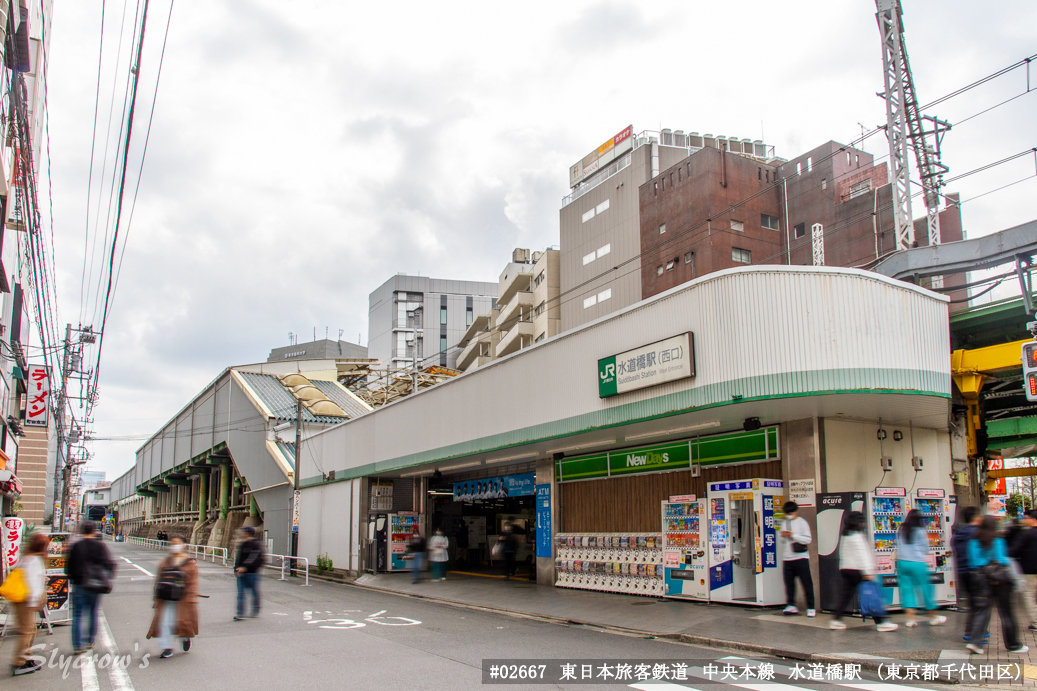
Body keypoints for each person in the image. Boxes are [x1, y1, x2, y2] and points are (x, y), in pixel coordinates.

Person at [966, 515, 1028, 654]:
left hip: (978, 577)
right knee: (1006, 612)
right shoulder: (997, 539)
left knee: (981, 610)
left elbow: (972, 561)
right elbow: (1001, 559)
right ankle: (1013, 645)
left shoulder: (973, 540)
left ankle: (974, 643)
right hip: (997, 578)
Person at [830, 511, 897, 632]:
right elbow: (862, 555)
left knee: (845, 596)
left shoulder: (845, 534)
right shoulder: (857, 535)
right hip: (858, 570)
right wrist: (868, 571)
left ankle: (836, 620)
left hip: (846, 568)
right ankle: (881, 622)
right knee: (872, 594)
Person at [66, 521, 116, 654]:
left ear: (82, 531)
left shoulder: (76, 546)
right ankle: (90, 640)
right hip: (96, 585)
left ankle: (77, 645)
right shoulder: (100, 546)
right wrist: (106, 578)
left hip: (80, 584)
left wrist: (74, 579)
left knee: (78, 615)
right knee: (93, 612)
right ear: (94, 531)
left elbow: (69, 567)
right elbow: (110, 564)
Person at [147, 537, 199, 658]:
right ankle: (167, 648)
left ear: (183, 545)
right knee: (165, 622)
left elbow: (193, 582)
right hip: (166, 597)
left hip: (183, 598)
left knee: (182, 621)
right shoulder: (166, 561)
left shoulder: (190, 562)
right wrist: (156, 595)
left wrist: (191, 597)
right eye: (172, 544)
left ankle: (185, 637)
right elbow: (159, 579)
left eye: (177, 544)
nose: (174, 546)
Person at [896, 509, 947, 627]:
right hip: (917, 563)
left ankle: (910, 619)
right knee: (925, 590)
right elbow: (925, 549)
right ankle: (933, 617)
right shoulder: (920, 530)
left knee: (907, 590)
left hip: (902, 562)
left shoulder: (901, 529)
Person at [9, 532, 48, 676]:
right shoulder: (34, 560)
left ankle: (27, 658)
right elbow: (32, 583)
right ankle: (18, 662)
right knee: (27, 631)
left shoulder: (28, 557)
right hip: (25, 601)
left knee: (31, 630)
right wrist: (34, 603)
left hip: (23, 600)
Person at [952, 507, 985, 641]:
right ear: (975, 517)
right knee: (979, 604)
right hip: (975, 571)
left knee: (973, 602)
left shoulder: (957, 533)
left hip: (961, 571)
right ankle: (975, 633)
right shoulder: (977, 533)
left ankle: (970, 631)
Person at [780, 501, 815, 617]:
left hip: (801, 557)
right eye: (787, 513)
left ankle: (811, 607)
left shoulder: (802, 523)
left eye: (791, 513)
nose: (789, 515)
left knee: (806, 583)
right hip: (787, 558)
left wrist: (793, 535)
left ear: (796, 511)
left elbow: (807, 540)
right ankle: (791, 605)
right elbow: (782, 541)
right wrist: (783, 536)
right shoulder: (784, 523)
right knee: (789, 583)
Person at [1009, 509, 1037, 631]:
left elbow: (1013, 550)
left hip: (1029, 571)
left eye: (1026, 518)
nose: (1024, 520)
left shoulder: (1026, 534)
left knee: (1029, 596)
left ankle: (1036, 622)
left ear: (1033, 520)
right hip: (1030, 570)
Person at [234, 526, 264, 620]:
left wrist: (245, 568)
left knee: (254, 592)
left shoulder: (255, 545)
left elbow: (254, 559)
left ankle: (255, 609)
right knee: (241, 593)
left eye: (243, 532)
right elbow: (238, 558)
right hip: (241, 573)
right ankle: (240, 613)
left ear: (247, 533)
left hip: (252, 573)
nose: (241, 533)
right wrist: (236, 569)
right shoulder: (243, 544)